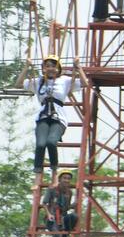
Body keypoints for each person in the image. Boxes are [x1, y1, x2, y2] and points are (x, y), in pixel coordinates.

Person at [15, 55, 88, 189]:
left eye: (53, 66)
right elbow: (19, 84)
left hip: (58, 117)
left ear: (58, 68)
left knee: (51, 142)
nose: (50, 69)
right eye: (47, 66)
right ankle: (37, 177)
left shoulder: (65, 81)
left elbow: (85, 83)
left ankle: (54, 174)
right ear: (43, 68)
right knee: (41, 144)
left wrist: (78, 68)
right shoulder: (38, 82)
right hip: (43, 116)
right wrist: (26, 67)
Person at [42, 169, 78, 237]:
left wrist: (72, 205)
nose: (66, 180)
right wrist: (48, 214)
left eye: (68, 179)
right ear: (60, 179)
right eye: (64, 178)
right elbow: (44, 203)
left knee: (74, 216)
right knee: (56, 235)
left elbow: (65, 208)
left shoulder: (69, 193)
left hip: (62, 217)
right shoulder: (52, 189)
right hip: (52, 217)